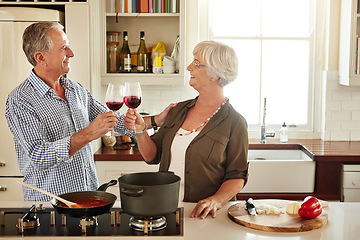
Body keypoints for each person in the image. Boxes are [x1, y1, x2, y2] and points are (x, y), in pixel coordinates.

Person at [5, 22, 172, 201]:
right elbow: (39, 155)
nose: (71, 53)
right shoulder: (20, 100)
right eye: (64, 48)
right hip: (50, 206)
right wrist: (90, 133)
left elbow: (115, 120)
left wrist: (156, 120)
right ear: (40, 57)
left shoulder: (74, 89)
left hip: (88, 198)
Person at [124, 40, 249, 219]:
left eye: (196, 64)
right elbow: (152, 156)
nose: (189, 67)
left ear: (215, 74)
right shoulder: (177, 111)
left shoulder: (235, 122)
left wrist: (215, 200)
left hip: (207, 216)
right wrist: (141, 131)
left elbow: (237, 176)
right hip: (167, 210)